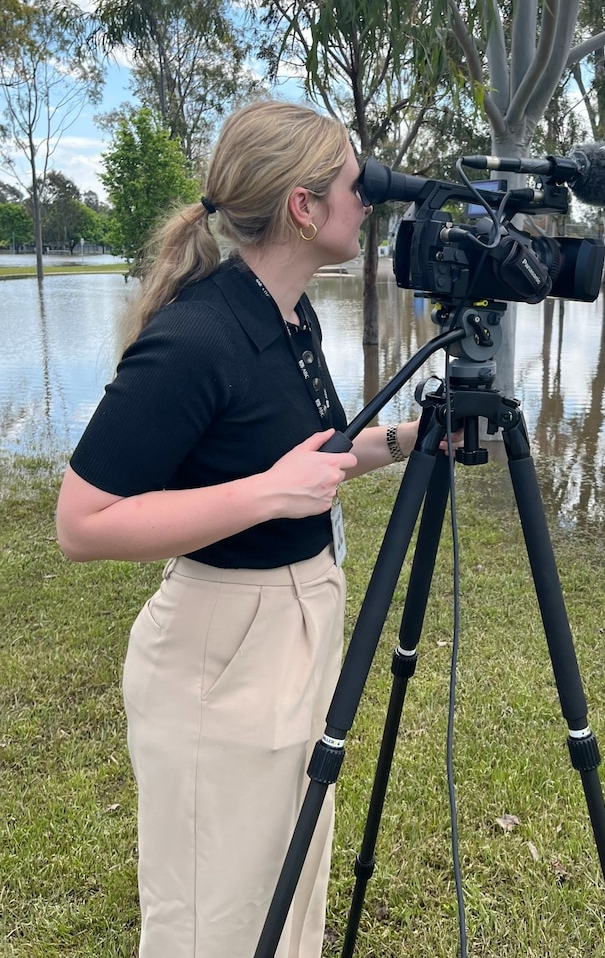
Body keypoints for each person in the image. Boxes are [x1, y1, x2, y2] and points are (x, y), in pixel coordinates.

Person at [55, 101, 425, 958]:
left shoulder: (291, 316)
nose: (366, 198)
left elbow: (313, 459)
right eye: (352, 181)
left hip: (301, 622)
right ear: (303, 207)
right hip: (220, 653)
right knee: (212, 919)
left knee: (287, 885)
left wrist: (407, 438)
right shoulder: (199, 335)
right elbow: (81, 520)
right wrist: (265, 493)